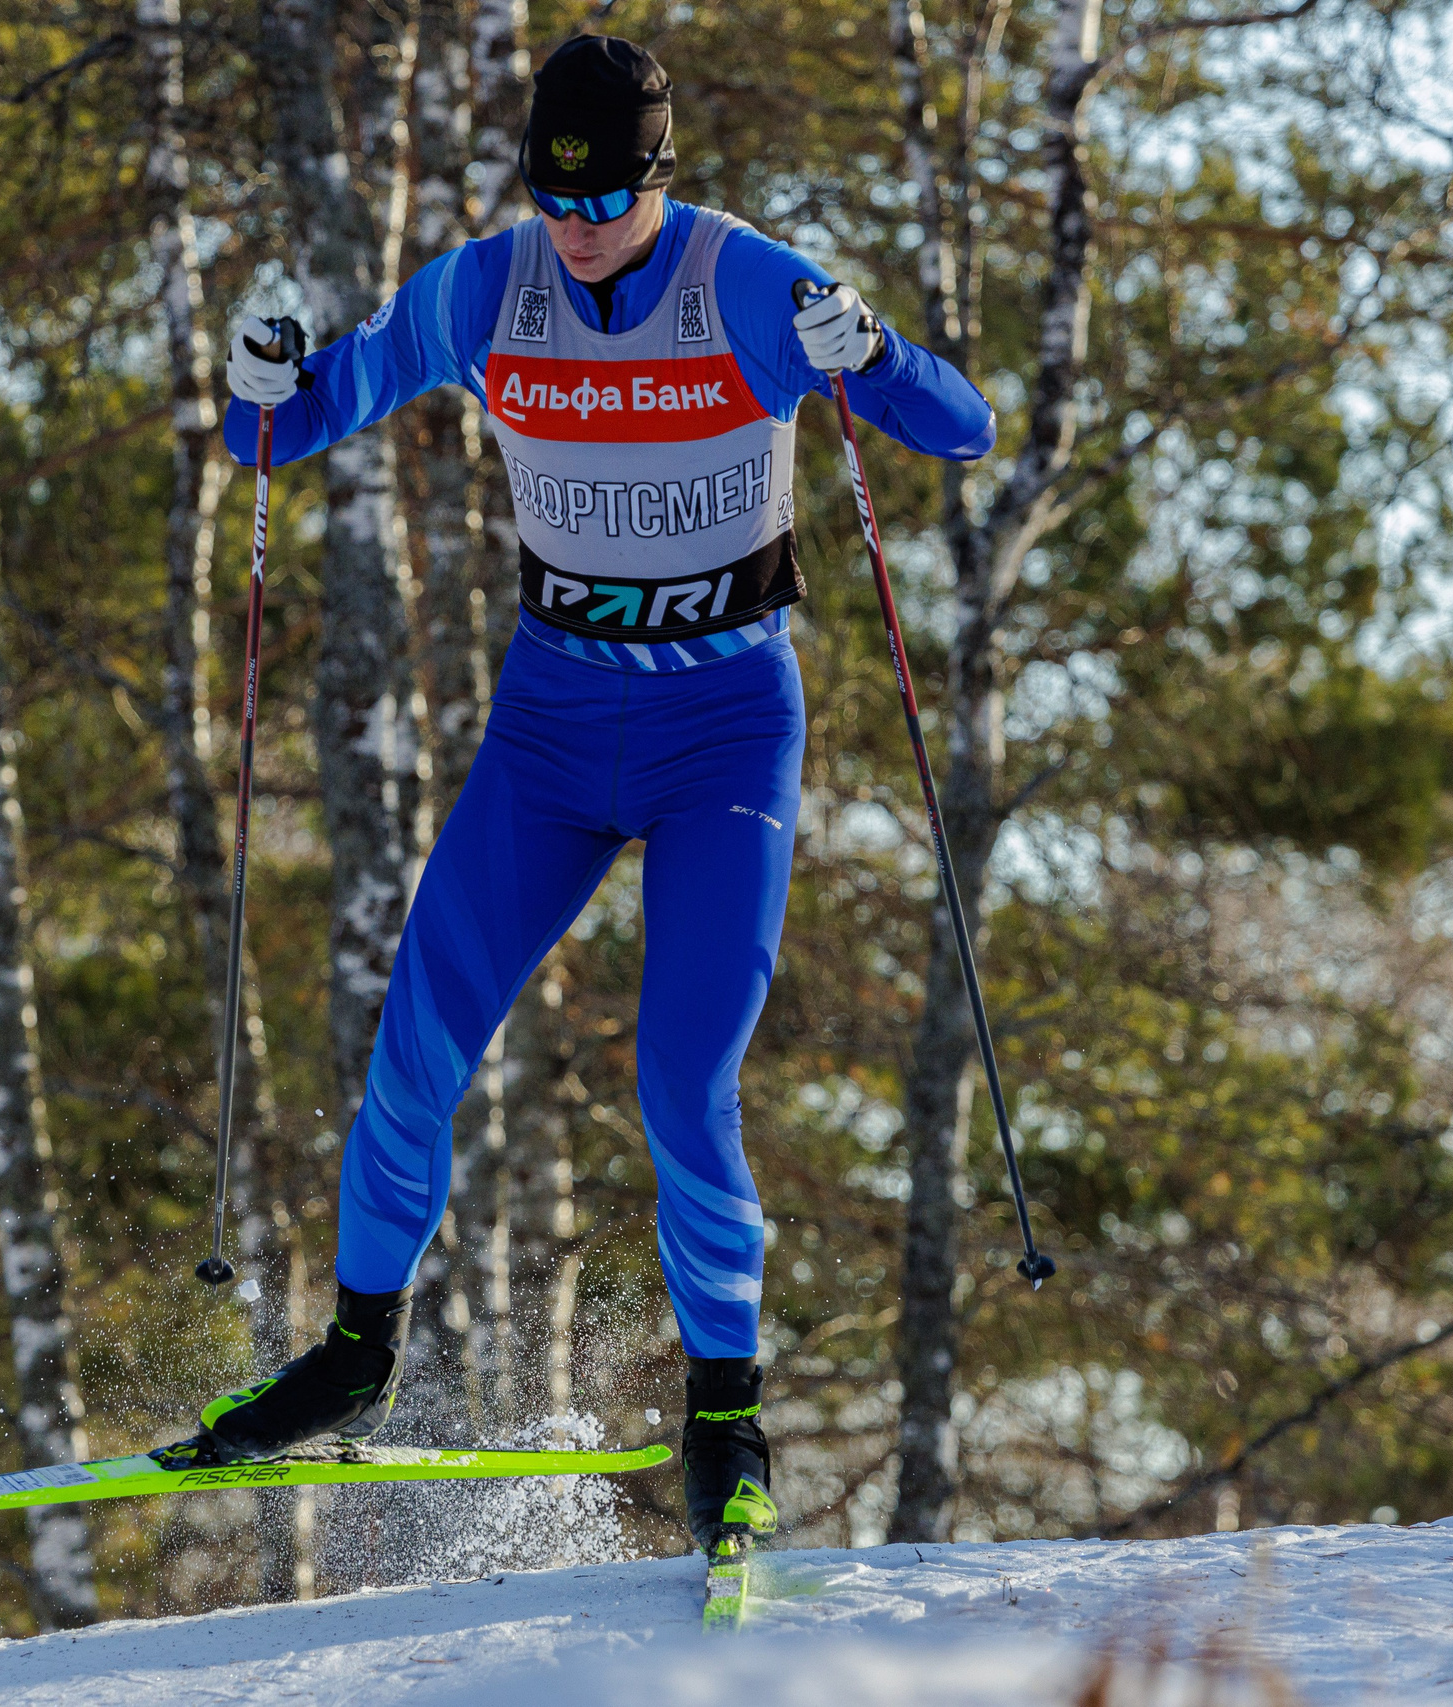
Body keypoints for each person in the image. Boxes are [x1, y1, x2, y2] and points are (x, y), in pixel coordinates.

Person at [179, 34, 995, 1557]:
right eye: (557, 198)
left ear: (658, 176)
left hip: (725, 732)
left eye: (609, 197)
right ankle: (356, 1358)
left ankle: (730, 1419)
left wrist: (869, 353)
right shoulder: (487, 289)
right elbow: (285, 431)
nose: (581, 227)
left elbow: (963, 426)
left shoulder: (745, 283)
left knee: (684, 1080)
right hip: (553, 726)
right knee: (418, 1034)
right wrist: (260, 382)